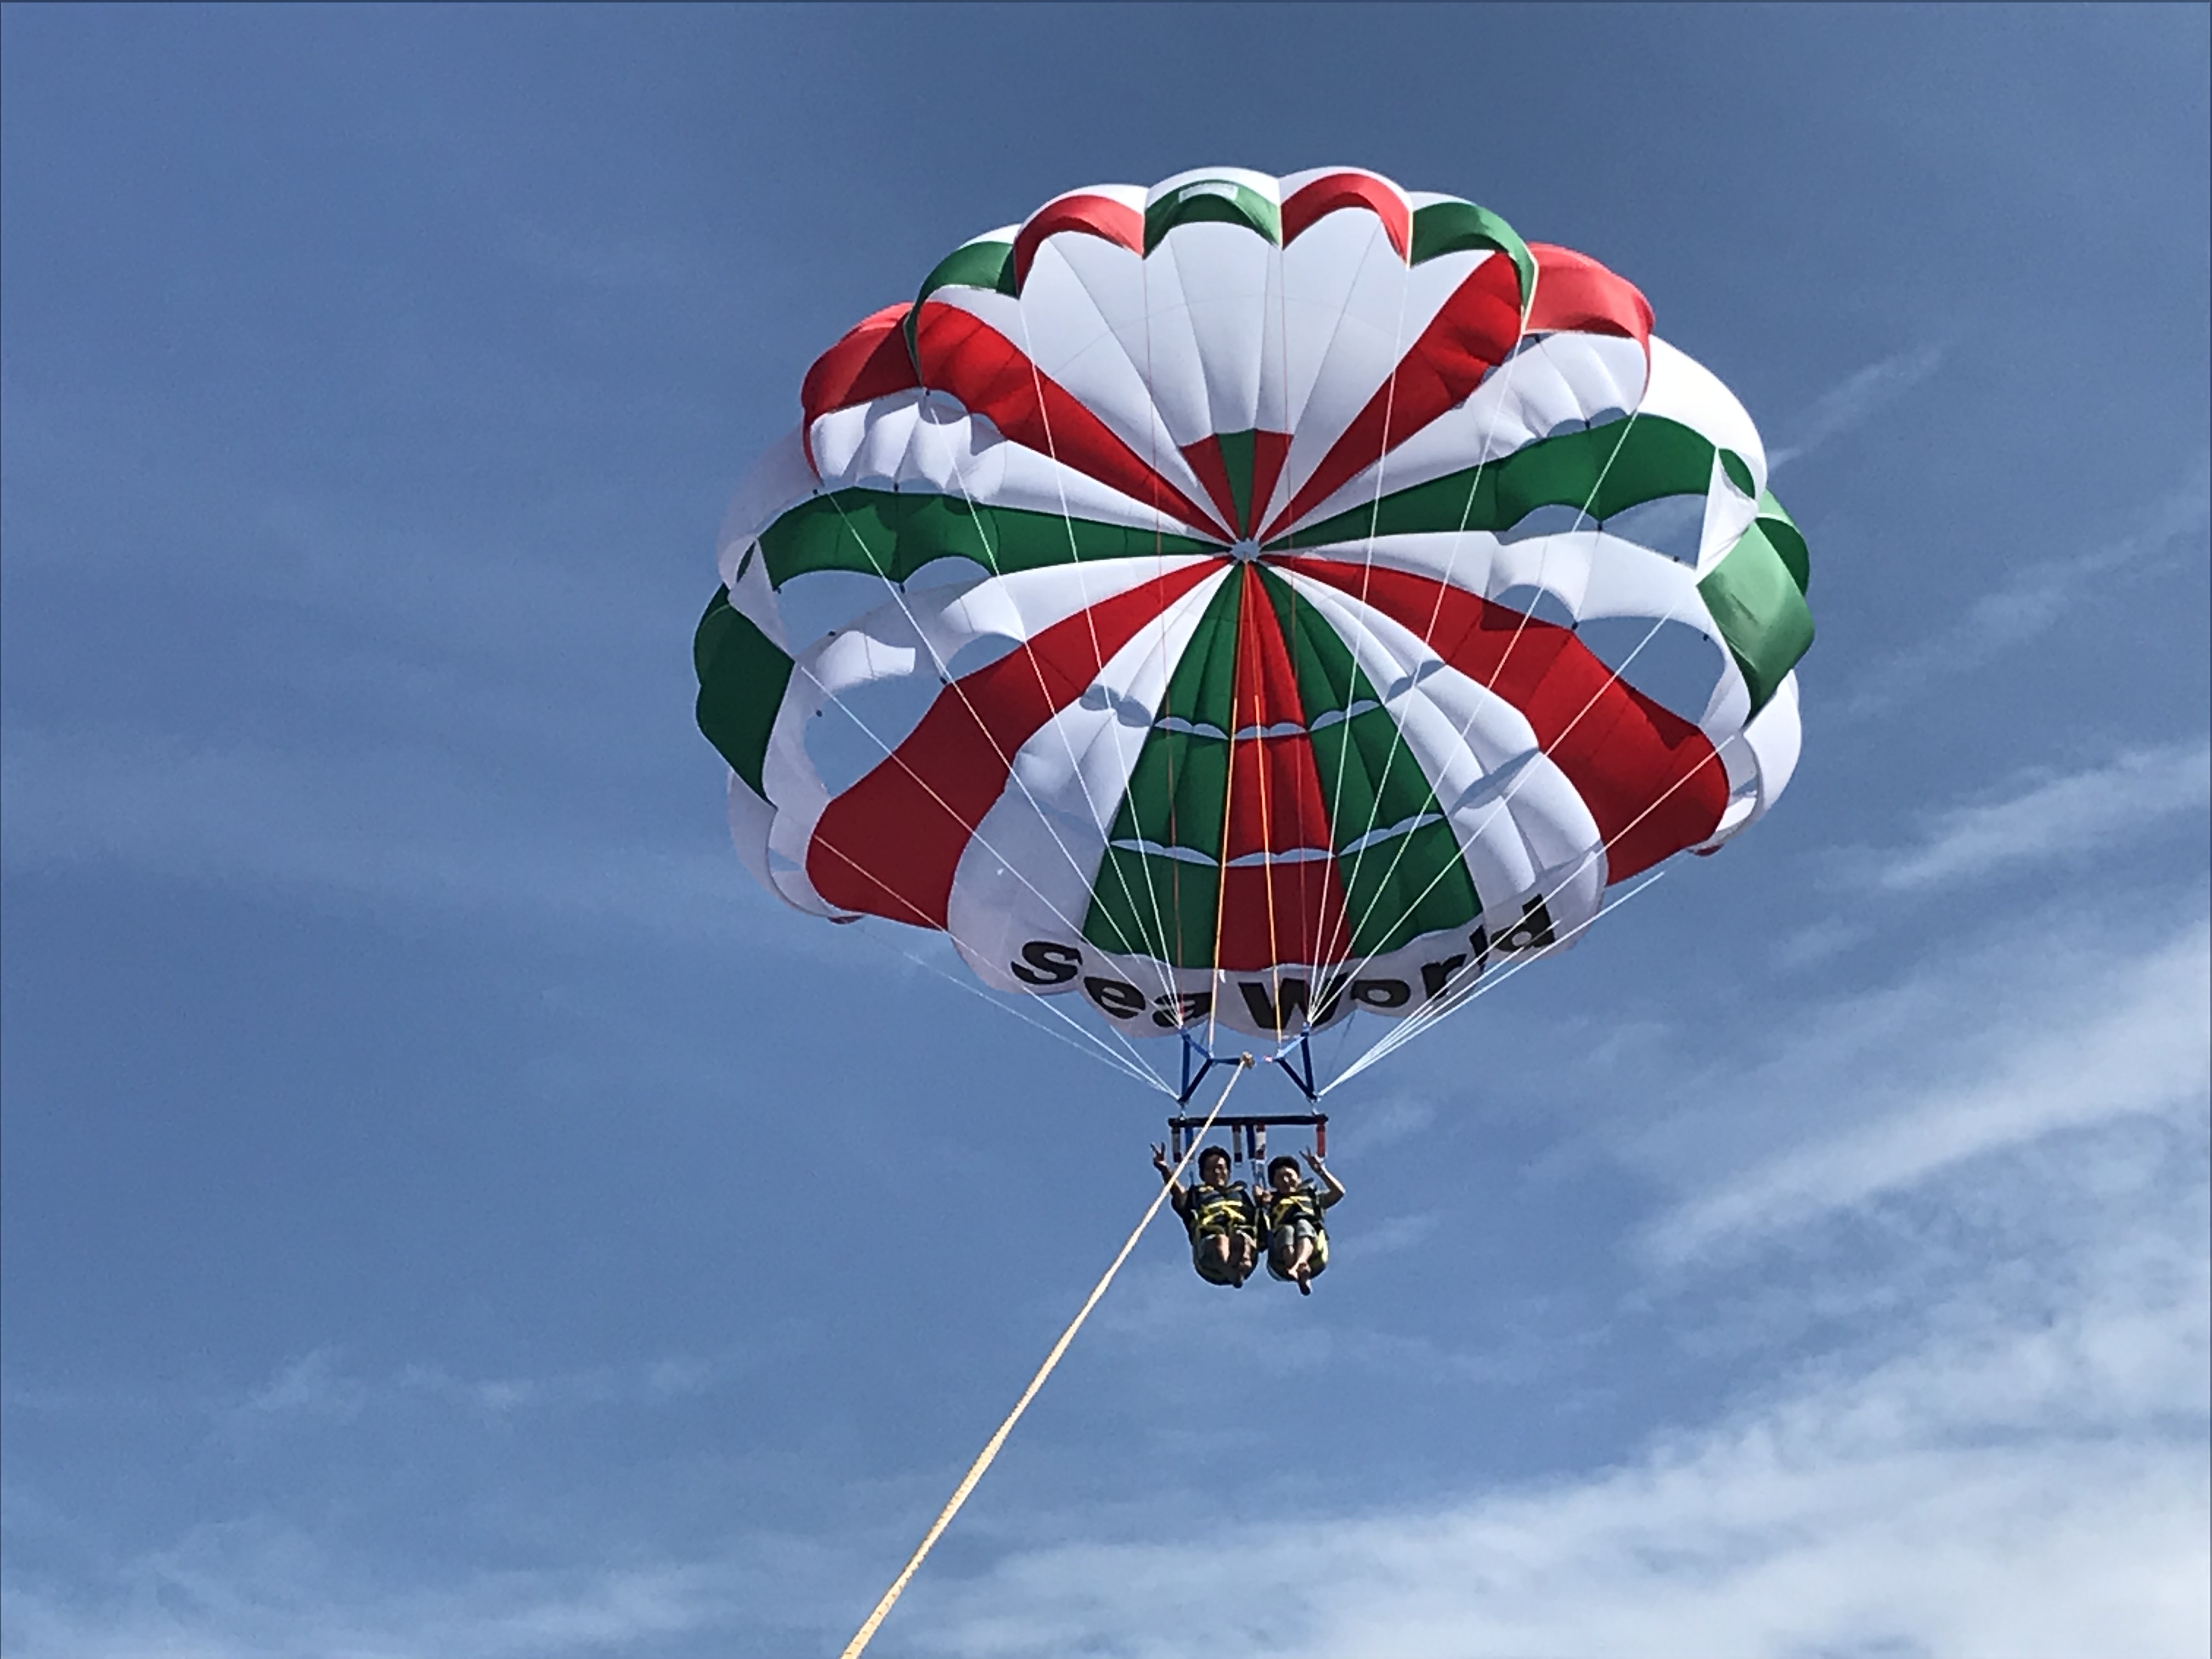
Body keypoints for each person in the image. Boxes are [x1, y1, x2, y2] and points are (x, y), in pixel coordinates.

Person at [1152, 1142, 1260, 1287]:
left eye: (1220, 1168)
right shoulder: (1196, 1195)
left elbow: (1260, 1220)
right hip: (1209, 1259)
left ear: (1228, 1172)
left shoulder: (1241, 1195)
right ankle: (1229, 1270)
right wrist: (1165, 1170)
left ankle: (1241, 1264)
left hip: (1243, 1249)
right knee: (1220, 1240)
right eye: (1210, 1169)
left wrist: (1262, 1202)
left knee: (1240, 1237)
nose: (1216, 1172)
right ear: (1203, 1175)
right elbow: (1179, 1194)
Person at [1260, 1150, 1345, 1295]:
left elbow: (1338, 1193)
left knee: (1303, 1224)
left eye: (1289, 1176)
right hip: (1281, 1249)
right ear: (1274, 1184)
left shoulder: (1312, 1198)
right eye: (1280, 1178)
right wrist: (1260, 1203)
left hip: (1313, 1245)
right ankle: (1298, 1270)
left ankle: (1300, 1265)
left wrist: (1321, 1171)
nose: (1286, 1180)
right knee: (1286, 1230)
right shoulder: (1271, 1203)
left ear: (1299, 1178)